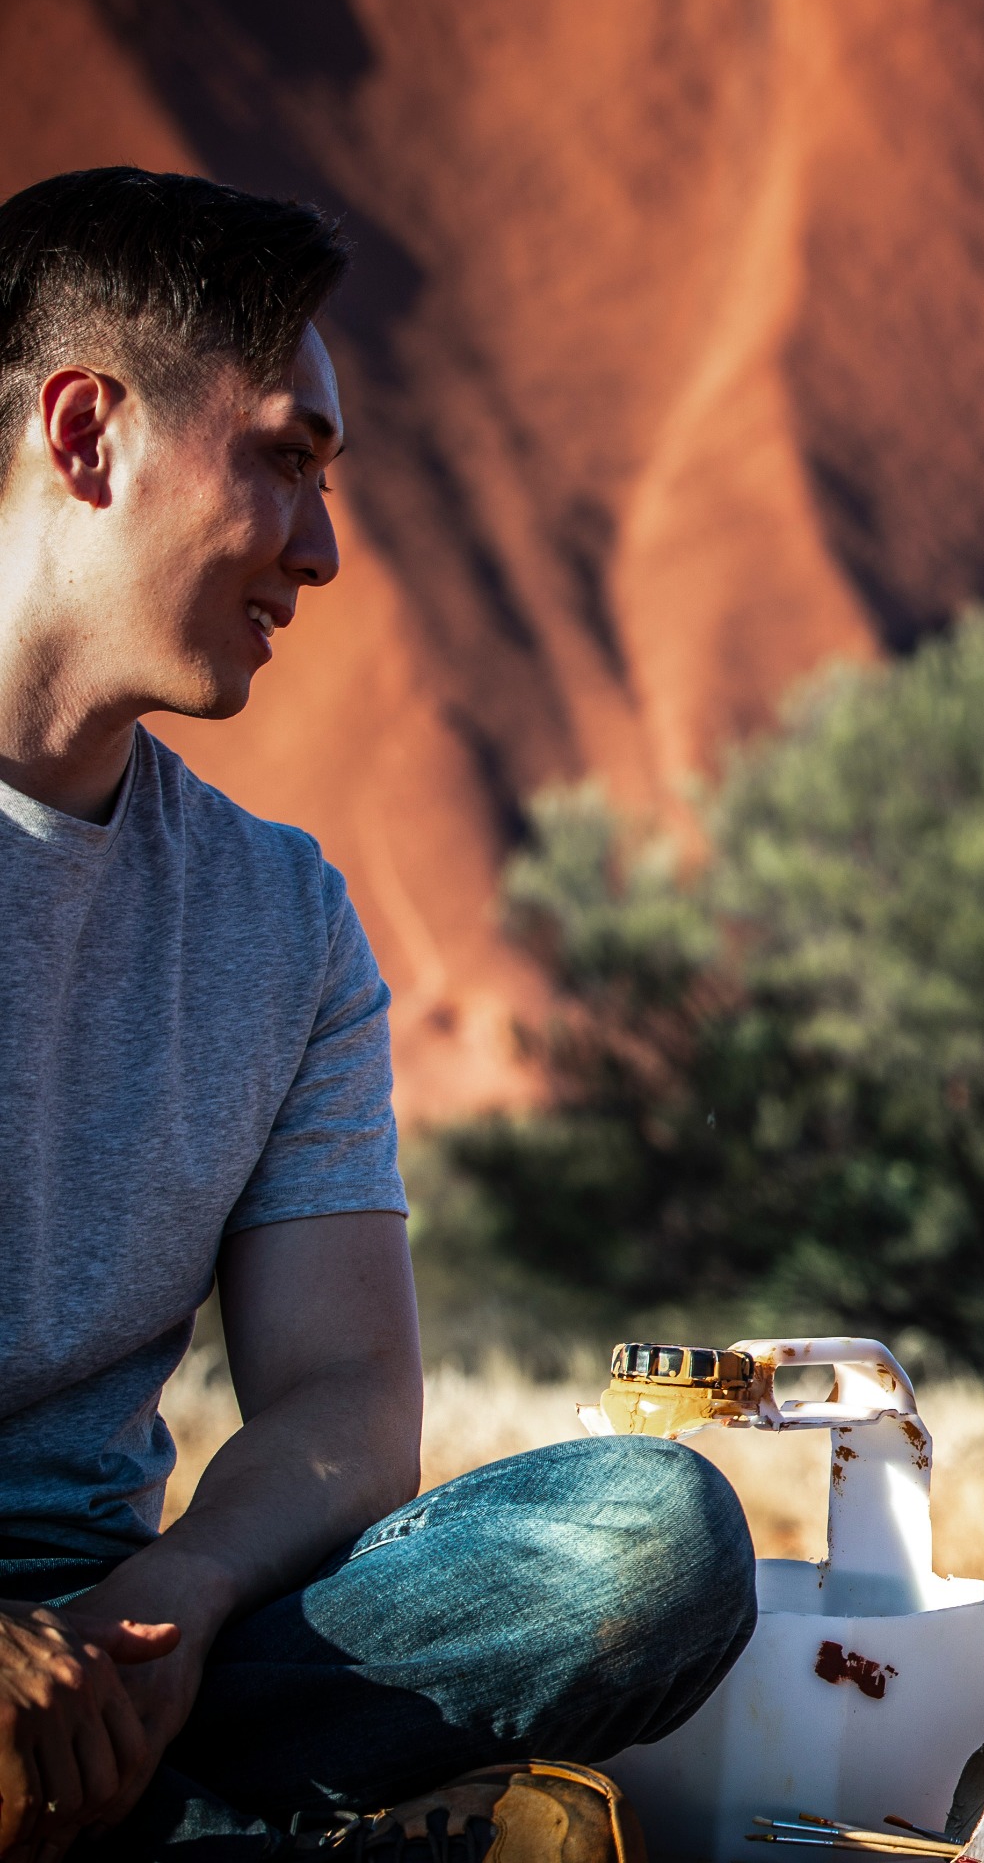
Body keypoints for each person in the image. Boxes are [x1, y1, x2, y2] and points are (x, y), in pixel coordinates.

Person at [0, 167, 758, 1861]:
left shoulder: (279, 915)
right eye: (284, 458)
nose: (324, 549)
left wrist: (173, 1598)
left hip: (126, 1633)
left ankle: (124, 1804)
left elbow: (346, 1396)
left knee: (650, 1542)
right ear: (83, 435)